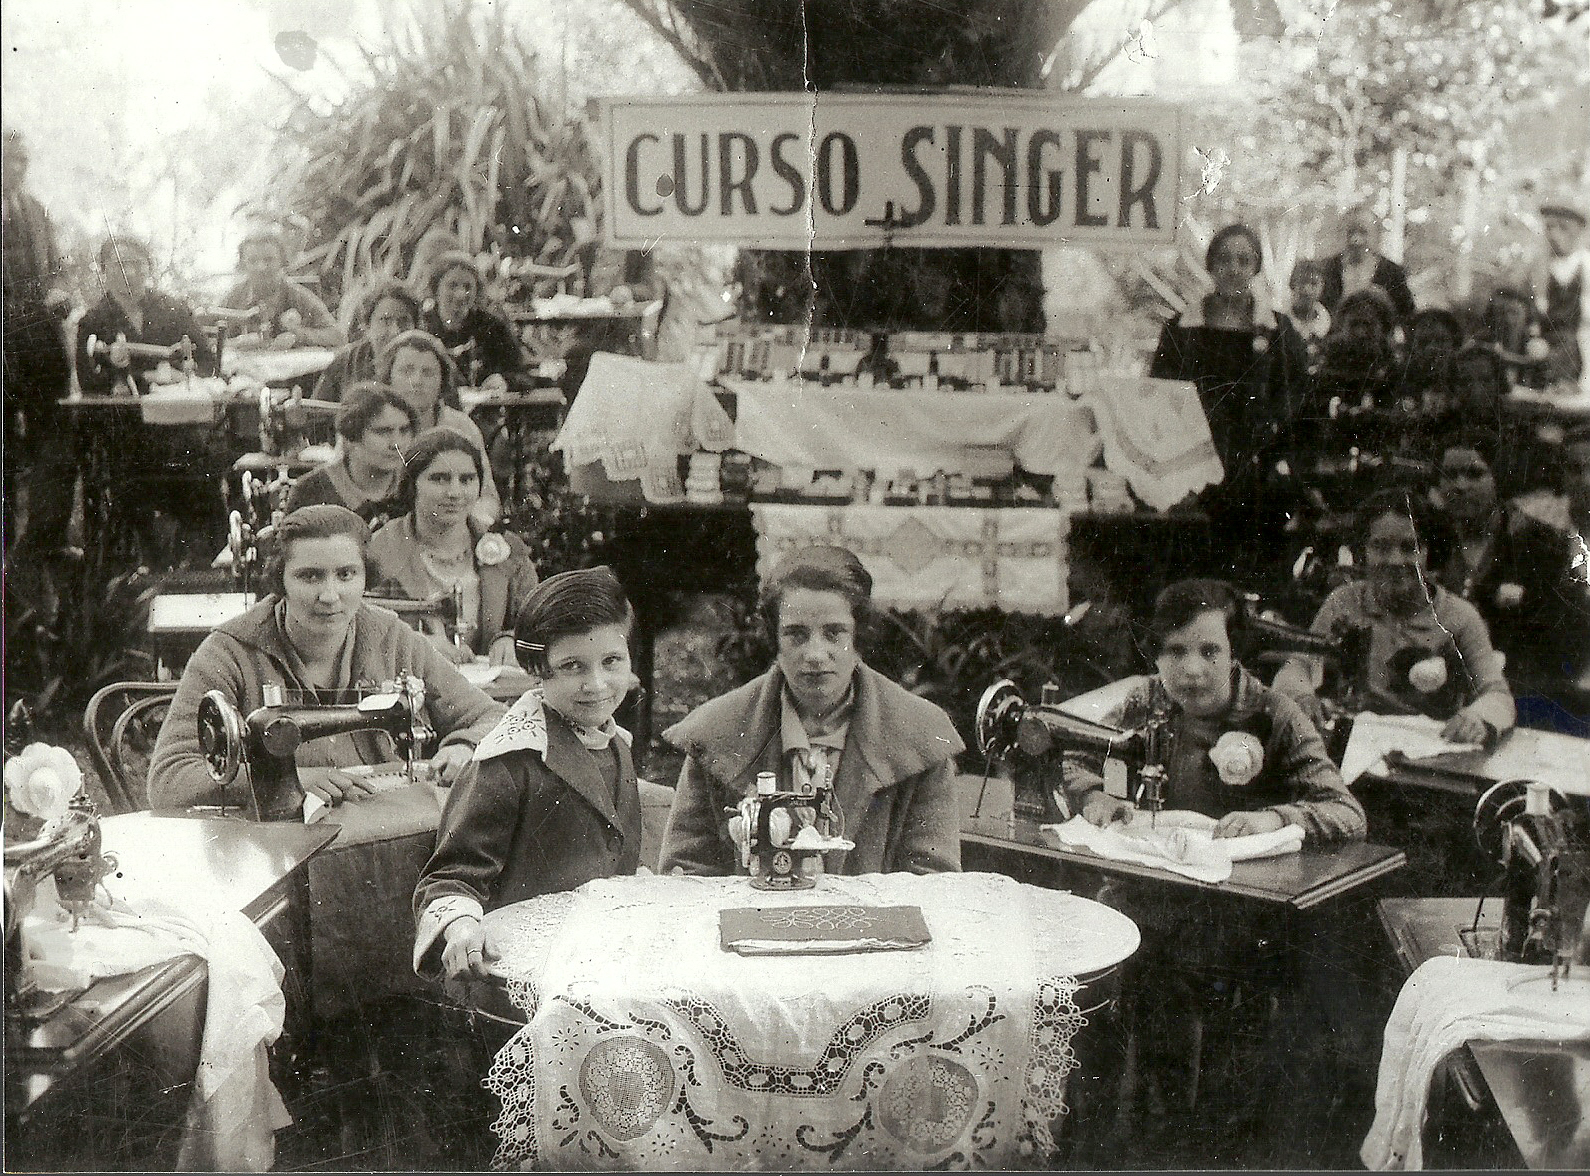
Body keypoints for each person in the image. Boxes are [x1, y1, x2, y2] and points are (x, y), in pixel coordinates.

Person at [147, 504, 503, 810]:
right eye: (310, 576)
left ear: (366, 578)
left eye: (346, 574)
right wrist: (284, 780)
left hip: (376, 824)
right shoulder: (229, 652)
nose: (330, 595)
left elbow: (492, 717)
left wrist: (462, 745)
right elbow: (169, 778)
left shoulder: (392, 638)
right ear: (280, 580)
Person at [659, 545, 964, 877]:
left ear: (859, 635)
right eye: (796, 635)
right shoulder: (716, 732)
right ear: (774, 638)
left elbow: (935, 884)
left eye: (834, 634)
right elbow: (684, 876)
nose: (816, 654)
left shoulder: (921, 735)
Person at [412, 567, 642, 985]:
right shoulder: (509, 760)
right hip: (518, 972)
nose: (597, 684)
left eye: (612, 661)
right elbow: (450, 876)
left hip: (598, 962)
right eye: (572, 666)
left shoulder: (615, 743)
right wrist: (462, 927)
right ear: (537, 668)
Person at [1064, 578, 1365, 845]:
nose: (1193, 670)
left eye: (1209, 652)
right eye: (1176, 651)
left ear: (1235, 653)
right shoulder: (1147, 699)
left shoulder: (1277, 714)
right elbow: (1075, 759)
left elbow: (1347, 813)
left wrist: (1275, 819)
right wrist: (1094, 796)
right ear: (1155, 655)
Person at [1272, 488, 1516, 743]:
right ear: (1362, 550)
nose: (1395, 560)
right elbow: (1298, 665)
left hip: (1429, 751)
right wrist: (1301, 695)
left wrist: (1477, 717)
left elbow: (1497, 694)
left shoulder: (1459, 616)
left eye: (1409, 548)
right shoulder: (1343, 603)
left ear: (1428, 552)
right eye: (1381, 546)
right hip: (1352, 743)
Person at [1149, 223, 1311, 583]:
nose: (1233, 269)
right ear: (1210, 266)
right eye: (1223, 260)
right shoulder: (1182, 327)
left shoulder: (1276, 328)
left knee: (1247, 559)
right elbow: (1159, 389)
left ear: (1255, 268)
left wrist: (1271, 426)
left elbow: (1297, 388)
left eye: (1243, 260)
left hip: (1254, 464)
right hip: (1193, 458)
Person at [76, 234, 222, 566]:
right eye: (117, 265)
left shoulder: (171, 308)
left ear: (148, 268)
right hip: (124, 434)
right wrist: (128, 376)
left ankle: (200, 558)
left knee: (205, 467)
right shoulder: (95, 321)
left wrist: (182, 370)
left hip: (179, 428)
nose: (127, 272)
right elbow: (89, 382)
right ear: (104, 271)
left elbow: (206, 360)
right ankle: (150, 559)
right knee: (137, 477)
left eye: (134, 264)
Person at [1427, 429, 1579, 696]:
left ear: (1498, 478)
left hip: (1520, 690)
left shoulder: (1542, 544)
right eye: (1450, 475)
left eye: (1475, 474)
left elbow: (1558, 640)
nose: (1460, 486)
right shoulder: (1429, 540)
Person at [367, 427, 538, 666]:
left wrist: (510, 639)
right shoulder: (378, 551)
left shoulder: (509, 552)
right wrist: (415, 644)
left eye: (467, 479)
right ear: (412, 484)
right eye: (439, 478)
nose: (455, 492)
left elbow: (537, 625)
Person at [2, 127, 74, 564]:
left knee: (57, 439)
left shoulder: (35, 211)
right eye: (9, 160)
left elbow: (57, 269)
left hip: (39, 343)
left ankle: (46, 541)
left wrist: (60, 292)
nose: (17, 169)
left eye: (22, 161)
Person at [378, 328, 501, 525]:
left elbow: (487, 498)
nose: (417, 381)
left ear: (442, 381)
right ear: (388, 377)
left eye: (428, 373)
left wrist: (474, 525)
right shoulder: (371, 425)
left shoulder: (462, 427)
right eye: (407, 370)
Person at [285, 382, 417, 527]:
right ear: (350, 437)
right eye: (383, 432)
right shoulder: (311, 491)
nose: (396, 444)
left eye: (404, 431)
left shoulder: (416, 485)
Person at [221, 228, 343, 350]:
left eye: (269, 260)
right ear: (243, 264)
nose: (261, 267)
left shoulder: (298, 296)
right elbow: (209, 338)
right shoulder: (235, 296)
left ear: (282, 261)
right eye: (252, 261)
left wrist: (296, 335)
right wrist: (236, 343)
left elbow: (337, 336)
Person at [418, 250, 522, 389]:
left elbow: (522, 374)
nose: (460, 294)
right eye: (452, 286)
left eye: (467, 287)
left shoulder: (492, 327)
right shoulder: (422, 325)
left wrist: (505, 380)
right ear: (436, 289)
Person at [311, 280, 420, 405]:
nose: (395, 331)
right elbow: (318, 414)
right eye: (385, 321)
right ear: (367, 326)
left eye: (404, 321)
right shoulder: (346, 362)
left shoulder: (429, 359)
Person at [1526, 196, 1588, 387]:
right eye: (1549, 228)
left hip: (1577, 341)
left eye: (1562, 228)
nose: (1554, 235)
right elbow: (1533, 312)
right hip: (1545, 341)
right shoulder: (1542, 267)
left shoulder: (1585, 264)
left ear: (1576, 231)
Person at [1319, 205, 1416, 322]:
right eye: (1350, 232)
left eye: (1363, 232)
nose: (1356, 240)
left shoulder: (1392, 271)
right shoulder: (1327, 269)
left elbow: (1407, 315)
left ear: (1375, 235)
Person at [1288, 258, 1331, 371]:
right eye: (1302, 282)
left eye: (1313, 284)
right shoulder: (1282, 318)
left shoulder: (1326, 321)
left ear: (1322, 287)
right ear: (1292, 284)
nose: (1307, 290)